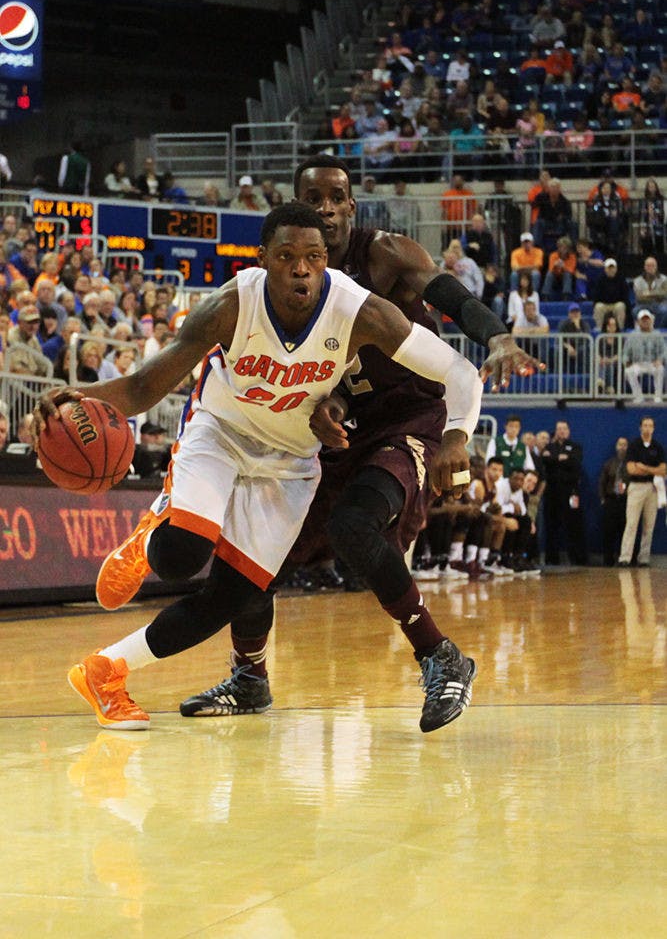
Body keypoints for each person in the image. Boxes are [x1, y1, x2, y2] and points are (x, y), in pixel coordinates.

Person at [35, 202, 485, 734]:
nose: (302, 269)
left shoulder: (361, 311)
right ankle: (152, 527)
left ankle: (105, 671)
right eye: (288, 257)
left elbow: (460, 373)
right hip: (220, 433)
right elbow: (141, 388)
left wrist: (457, 436)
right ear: (264, 260)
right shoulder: (230, 305)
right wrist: (72, 396)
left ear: (327, 262)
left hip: (290, 462)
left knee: (237, 596)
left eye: (314, 257)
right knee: (182, 557)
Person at [177, 155, 537, 728]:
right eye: (312, 197)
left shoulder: (384, 255)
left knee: (353, 525)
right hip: (336, 427)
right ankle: (250, 676)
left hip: (410, 418)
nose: (325, 207)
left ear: (350, 206)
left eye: (336, 197)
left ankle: (439, 656)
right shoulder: (285, 284)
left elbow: (448, 295)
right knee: (255, 556)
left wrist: (495, 338)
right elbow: (327, 380)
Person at [618, 417, 666, 567]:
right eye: (645, 425)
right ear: (640, 428)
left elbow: (663, 470)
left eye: (650, 426)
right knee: (631, 523)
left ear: (653, 428)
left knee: (648, 525)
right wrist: (653, 470)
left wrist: (644, 468)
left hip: (652, 488)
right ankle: (625, 558)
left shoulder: (657, 447)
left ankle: (643, 558)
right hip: (636, 487)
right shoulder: (634, 445)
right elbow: (631, 469)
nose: (647, 428)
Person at [542, 420, 588, 566]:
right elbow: (546, 462)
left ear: (568, 431)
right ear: (555, 431)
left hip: (570, 492)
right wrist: (560, 459)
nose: (561, 431)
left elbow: (575, 463)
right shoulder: (549, 447)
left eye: (564, 428)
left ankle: (577, 559)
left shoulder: (575, 447)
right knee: (551, 526)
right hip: (552, 492)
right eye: (559, 429)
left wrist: (556, 459)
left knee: (574, 525)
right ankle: (551, 559)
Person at [623, 309, 666, 403]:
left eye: (647, 319)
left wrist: (660, 359)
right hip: (637, 363)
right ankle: (638, 396)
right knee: (629, 371)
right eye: (643, 320)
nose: (645, 322)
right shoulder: (632, 335)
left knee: (660, 369)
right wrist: (626, 361)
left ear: (651, 320)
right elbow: (626, 352)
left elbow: (664, 350)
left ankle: (658, 397)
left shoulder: (657, 334)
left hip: (652, 363)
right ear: (638, 322)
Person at [599, 437, 628, 566]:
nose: (622, 447)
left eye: (625, 445)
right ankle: (608, 560)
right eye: (620, 444)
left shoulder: (631, 465)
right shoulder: (609, 463)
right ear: (616, 447)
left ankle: (625, 559)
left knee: (625, 531)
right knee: (608, 532)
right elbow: (602, 482)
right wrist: (603, 499)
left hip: (625, 501)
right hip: (611, 500)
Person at [591, 257, 631, 330]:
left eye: (613, 268)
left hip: (616, 304)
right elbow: (596, 296)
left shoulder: (621, 279)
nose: (611, 270)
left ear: (616, 269)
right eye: (609, 268)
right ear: (605, 269)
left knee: (621, 306)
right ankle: (599, 330)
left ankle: (620, 330)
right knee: (598, 307)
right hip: (604, 304)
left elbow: (625, 296)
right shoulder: (600, 280)